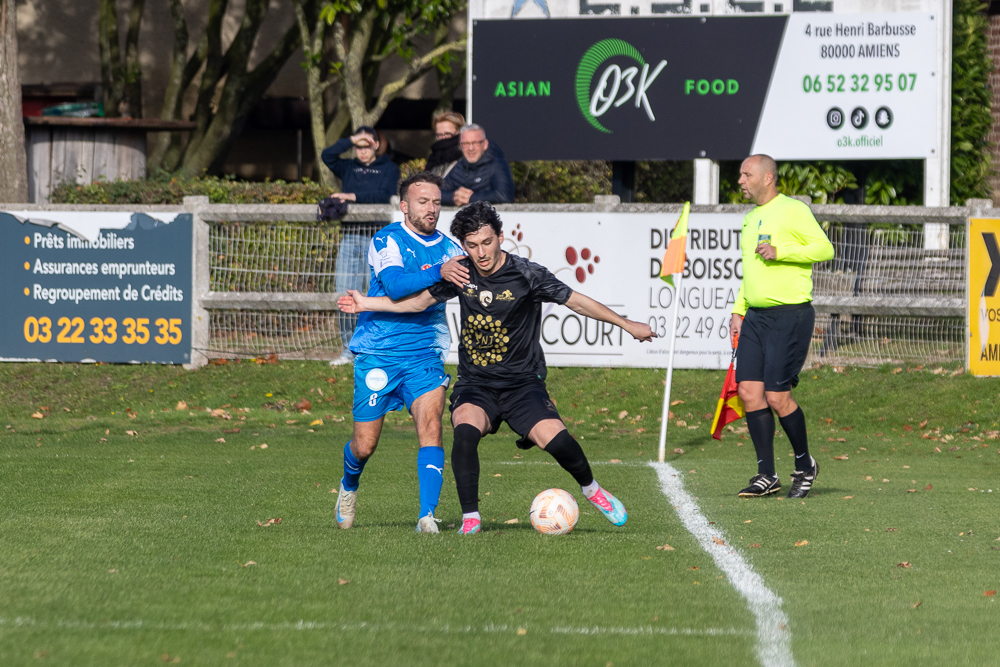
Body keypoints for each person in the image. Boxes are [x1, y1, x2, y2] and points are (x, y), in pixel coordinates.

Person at [338, 202, 656, 535]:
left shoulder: (527, 274)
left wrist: (627, 324)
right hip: (476, 385)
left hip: (522, 385)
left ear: (500, 237)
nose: (481, 252)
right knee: (464, 432)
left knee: (558, 442)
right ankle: (471, 519)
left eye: (487, 242)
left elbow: (576, 300)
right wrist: (365, 303)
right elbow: (418, 302)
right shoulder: (461, 272)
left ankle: (593, 490)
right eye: (472, 245)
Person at [332, 171, 470, 534]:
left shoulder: (452, 249)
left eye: (437, 202)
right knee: (364, 445)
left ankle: (427, 516)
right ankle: (348, 485)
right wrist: (439, 271)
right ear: (404, 206)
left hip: (424, 354)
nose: (432, 209)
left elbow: (436, 297)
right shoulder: (387, 239)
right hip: (378, 353)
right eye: (423, 202)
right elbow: (395, 286)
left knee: (432, 427)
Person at [729, 154, 835, 499]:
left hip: (790, 315)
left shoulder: (793, 210)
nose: (741, 180)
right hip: (755, 318)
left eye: (747, 175)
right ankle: (766, 475)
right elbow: (751, 274)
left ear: (767, 178)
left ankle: (805, 465)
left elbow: (825, 248)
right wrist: (738, 309)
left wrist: (782, 250)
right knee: (749, 392)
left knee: (777, 395)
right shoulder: (749, 220)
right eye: (741, 175)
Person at [321, 127, 401, 365]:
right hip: (350, 237)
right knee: (345, 292)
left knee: (377, 295)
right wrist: (349, 140)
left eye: (366, 145)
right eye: (358, 146)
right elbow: (327, 156)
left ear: (376, 145)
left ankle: (377, 349)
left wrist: (351, 196)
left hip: (378, 239)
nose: (362, 151)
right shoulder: (347, 167)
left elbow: (384, 195)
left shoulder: (390, 168)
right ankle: (349, 350)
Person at [441, 124, 515, 206]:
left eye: (475, 143)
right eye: (465, 143)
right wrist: (454, 197)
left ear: (485, 144)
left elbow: (504, 196)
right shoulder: (458, 167)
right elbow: (437, 194)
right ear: (460, 146)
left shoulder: (498, 165)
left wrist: (471, 198)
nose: (470, 148)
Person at [426, 111, 466, 178]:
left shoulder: (465, 155)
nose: (443, 137)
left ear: (458, 132)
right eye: (439, 134)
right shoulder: (433, 158)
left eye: (447, 133)